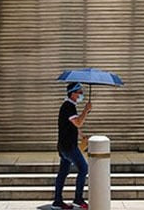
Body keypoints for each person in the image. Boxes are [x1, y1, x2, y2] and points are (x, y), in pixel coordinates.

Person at [52, 82, 92, 210]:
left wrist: (81, 136)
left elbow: (73, 125)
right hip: (69, 147)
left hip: (63, 146)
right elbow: (79, 122)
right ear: (73, 93)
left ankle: (57, 201)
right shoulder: (69, 106)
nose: (81, 95)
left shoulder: (68, 106)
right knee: (84, 168)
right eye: (79, 92)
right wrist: (86, 110)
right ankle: (78, 200)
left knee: (63, 172)